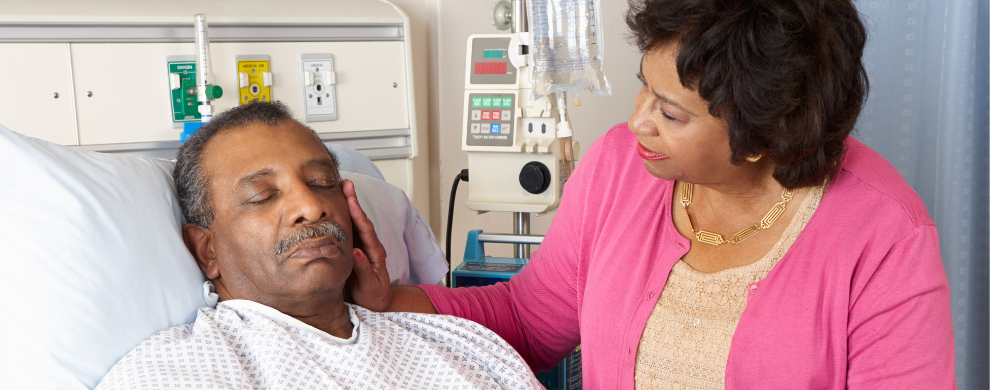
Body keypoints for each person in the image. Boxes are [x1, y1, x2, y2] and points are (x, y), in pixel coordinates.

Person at [347, 0, 957, 388]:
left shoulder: (884, 233)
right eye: (644, 90)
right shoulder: (620, 167)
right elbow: (528, 322)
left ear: (761, 135)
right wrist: (395, 300)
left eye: (670, 112)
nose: (636, 122)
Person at [96, 102, 542, 390]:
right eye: (262, 196)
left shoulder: (461, 346)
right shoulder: (175, 374)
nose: (310, 206)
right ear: (207, 250)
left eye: (322, 183)